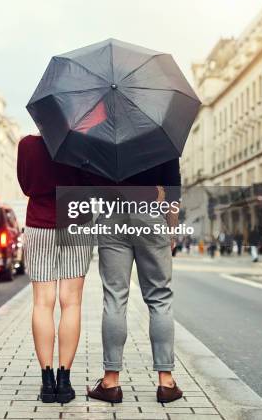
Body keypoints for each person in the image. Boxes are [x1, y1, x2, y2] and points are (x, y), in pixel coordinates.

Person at [83, 160, 183, 405]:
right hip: (150, 215)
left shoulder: (100, 136)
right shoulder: (160, 139)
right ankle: (166, 382)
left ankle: (110, 383)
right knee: (160, 298)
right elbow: (172, 194)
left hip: (112, 217)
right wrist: (170, 231)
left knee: (115, 298)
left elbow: (91, 188)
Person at [17, 134, 93, 404]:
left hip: (39, 223)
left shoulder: (27, 145)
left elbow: (26, 187)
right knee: (71, 303)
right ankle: (65, 379)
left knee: (42, 302)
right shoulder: (85, 142)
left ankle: (46, 381)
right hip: (77, 220)